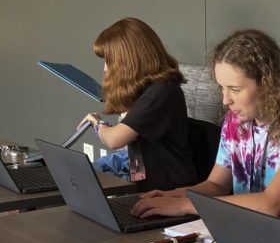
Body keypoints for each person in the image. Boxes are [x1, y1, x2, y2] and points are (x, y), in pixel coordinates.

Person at [131, 29, 280, 234]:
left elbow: (271, 204)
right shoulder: (236, 121)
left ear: (268, 84)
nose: (225, 100)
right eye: (222, 88)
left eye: (235, 89)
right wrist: (176, 196)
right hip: (250, 235)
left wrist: (185, 206)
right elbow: (216, 184)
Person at [78, 17, 197, 192]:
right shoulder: (147, 89)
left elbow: (114, 140)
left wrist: (97, 123)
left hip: (168, 190)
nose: (105, 69)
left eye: (109, 61)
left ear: (128, 60)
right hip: (144, 181)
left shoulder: (162, 91)